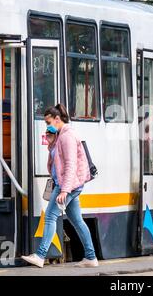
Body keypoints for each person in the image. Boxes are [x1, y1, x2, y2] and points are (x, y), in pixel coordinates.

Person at [22, 104, 98, 268]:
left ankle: (40, 255)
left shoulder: (67, 136)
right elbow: (56, 164)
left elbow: (71, 165)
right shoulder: (60, 137)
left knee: (50, 216)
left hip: (67, 186)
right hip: (66, 184)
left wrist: (64, 190)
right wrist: (51, 144)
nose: (47, 126)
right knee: (77, 221)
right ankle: (91, 257)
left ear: (57, 119)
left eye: (48, 122)